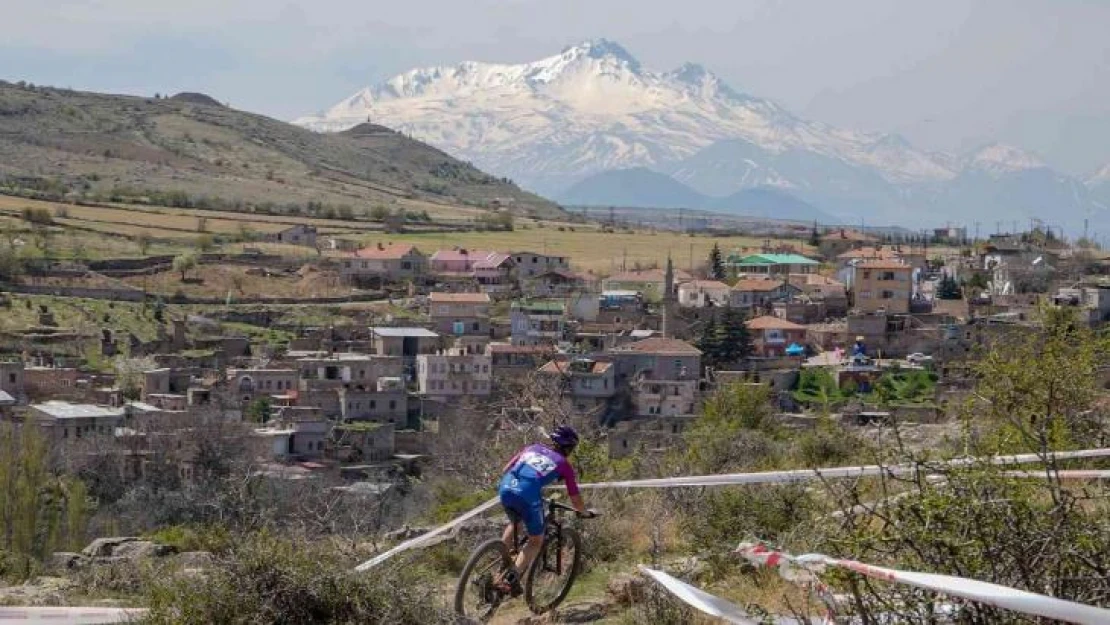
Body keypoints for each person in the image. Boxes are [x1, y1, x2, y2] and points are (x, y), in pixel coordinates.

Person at [496, 425, 594, 595]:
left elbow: (505, 469)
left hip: (506, 486)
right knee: (535, 541)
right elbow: (575, 499)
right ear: (569, 448)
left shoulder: (532, 447)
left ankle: (500, 563)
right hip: (527, 495)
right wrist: (584, 512)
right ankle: (510, 580)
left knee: (516, 522)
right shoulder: (564, 464)